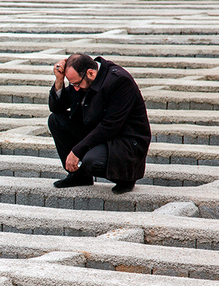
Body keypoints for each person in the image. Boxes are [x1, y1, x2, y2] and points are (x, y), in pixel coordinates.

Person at [48, 53, 151, 194]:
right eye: (72, 84)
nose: (75, 88)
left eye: (76, 84)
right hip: (100, 133)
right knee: (56, 120)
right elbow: (56, 109)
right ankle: (79, 176)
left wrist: (76, 151)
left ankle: (125, 178)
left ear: (90, 73)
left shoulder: (119, 81)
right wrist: (59, 81)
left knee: (92, 161)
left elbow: (110, 126)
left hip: (125, 141)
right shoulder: (82, 80)